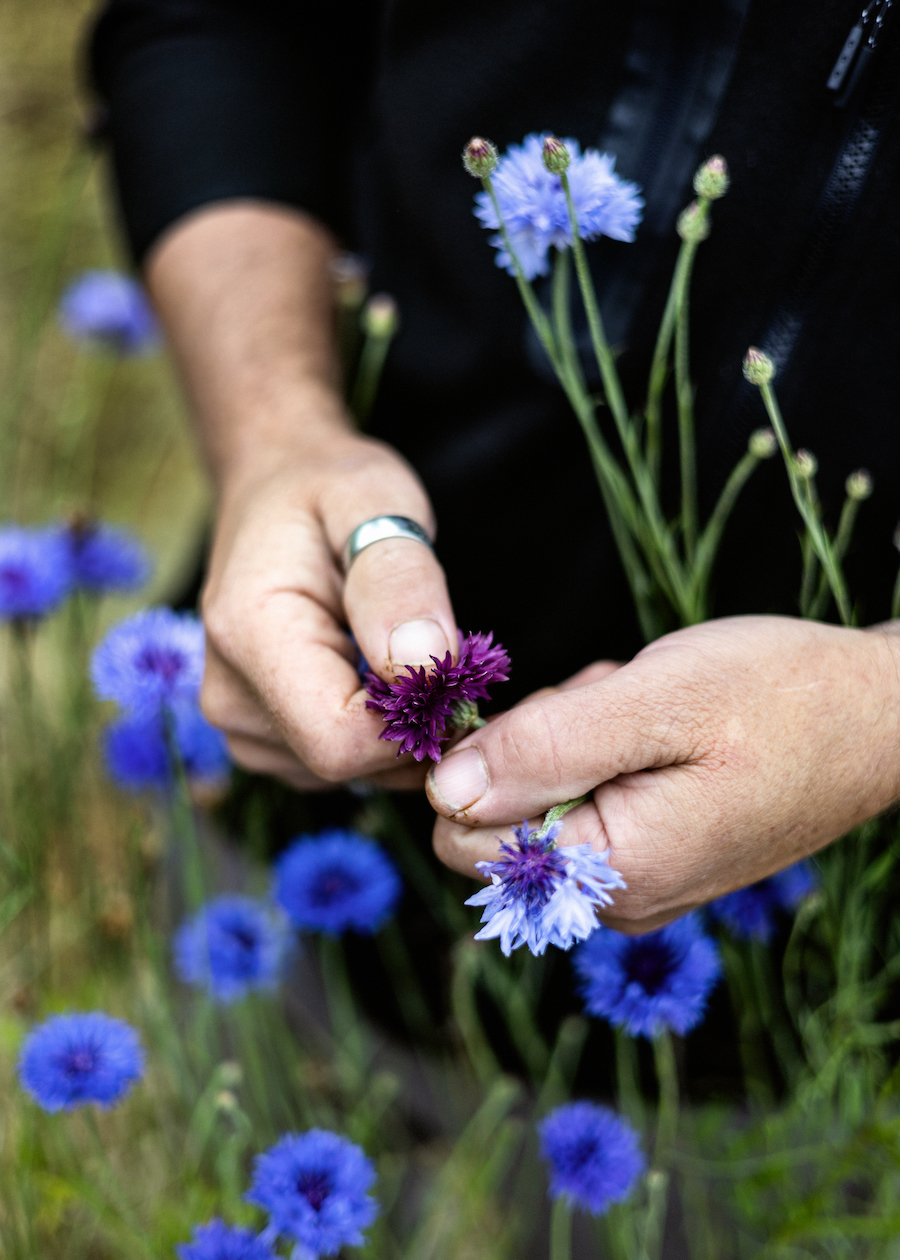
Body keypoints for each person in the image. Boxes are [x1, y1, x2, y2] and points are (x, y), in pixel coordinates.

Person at [89, 0, 900, 930]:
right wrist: (272, 431)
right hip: (296, 783)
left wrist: (880, 713)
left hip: (835, 920)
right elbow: (214, 21)